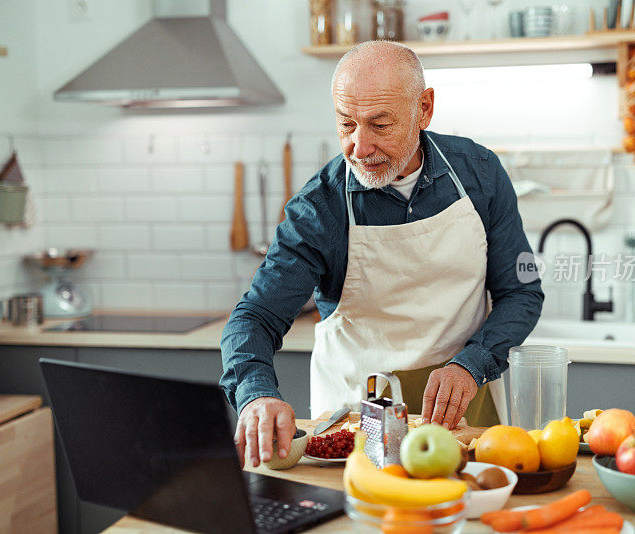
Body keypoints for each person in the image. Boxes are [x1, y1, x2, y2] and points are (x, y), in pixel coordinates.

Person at [221, 40, 543, 468]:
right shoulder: (320, 208)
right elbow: (255, 317)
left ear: (424, 109)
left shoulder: (480, 174)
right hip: (355, 421)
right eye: (346, 124)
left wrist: (473, 363)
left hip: (463, 407)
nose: (359, 146)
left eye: (379, 124)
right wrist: (256, 395)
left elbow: (521, 293)